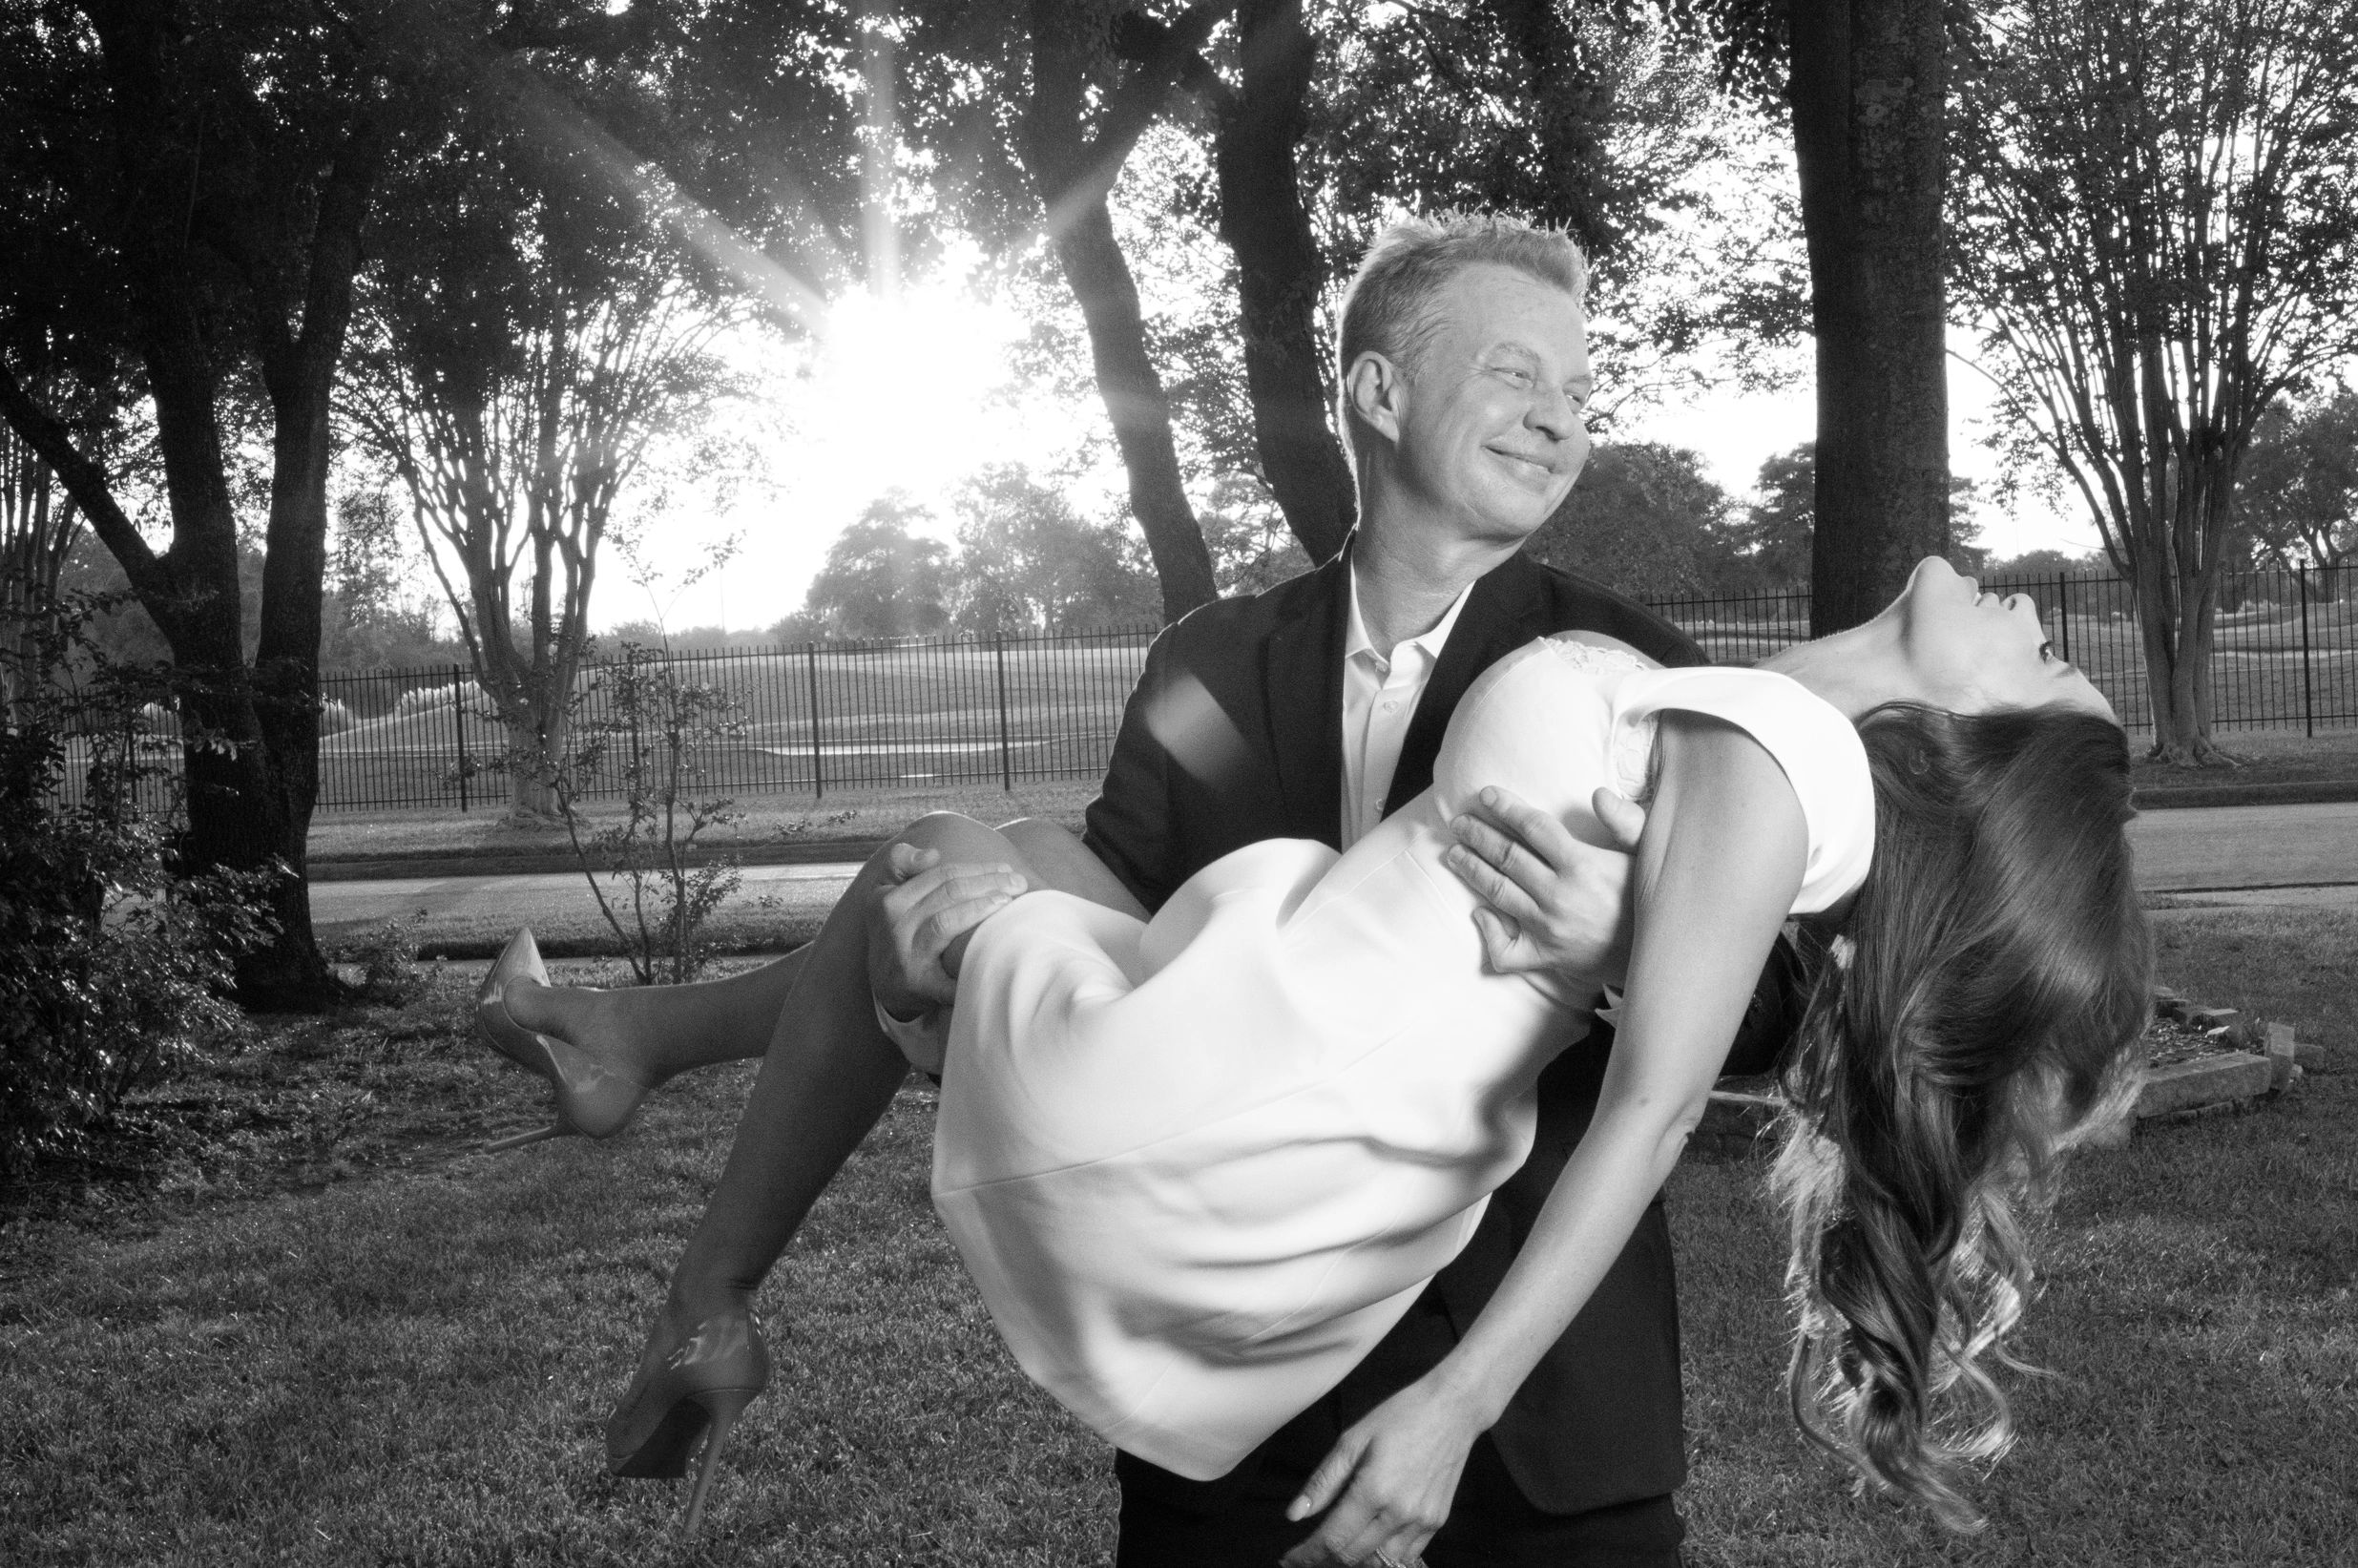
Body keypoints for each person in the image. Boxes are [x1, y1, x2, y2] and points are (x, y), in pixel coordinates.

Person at [482, 558, 2146, 1564]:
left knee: (937, 863)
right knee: (973, 862)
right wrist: (1625, 938)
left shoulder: (1768, 751)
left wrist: (1453, 1405)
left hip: (1249, 1092)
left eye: (2057, 666)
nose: (2041, 611)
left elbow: (1651, 1114)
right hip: (1272, 1078)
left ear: (1986, 742)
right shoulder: (1763, 730)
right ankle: (643, 1080)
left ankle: (709, 1199)